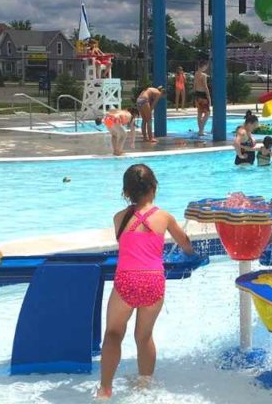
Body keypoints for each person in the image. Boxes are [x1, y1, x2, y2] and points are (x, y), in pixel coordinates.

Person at [97, 164, 196, 399]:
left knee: (112, 334)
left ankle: (105, 390)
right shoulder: (164, 217)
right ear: (154, 187)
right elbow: (186, 245)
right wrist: (190, 254)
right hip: (153, 281)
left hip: (126, 281)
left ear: (126, 192)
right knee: (144, 336)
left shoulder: (119, 218)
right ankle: (144, 387)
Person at [192, 61, 211, 136]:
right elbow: (205, 86)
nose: (206, 68)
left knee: (199, 113)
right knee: (207, 113)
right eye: (206, 66)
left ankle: (200, 130)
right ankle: (201, 130)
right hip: (203, 95)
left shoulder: (196, 74)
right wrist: (209, 97)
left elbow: (194, 85)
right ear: (203, 66)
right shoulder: (204, 75)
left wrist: (194, 96)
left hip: (197, 94)